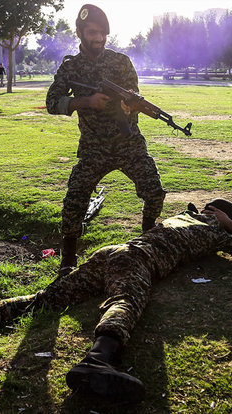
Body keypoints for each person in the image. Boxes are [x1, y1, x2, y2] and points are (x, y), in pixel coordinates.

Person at [0, 199, 232, 403]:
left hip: (113, 251)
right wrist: (228, 226)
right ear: (220, 217)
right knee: (125, 301)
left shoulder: (181, 217)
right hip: (136, 261)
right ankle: (97, 361)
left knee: (48, 298)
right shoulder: (211, 229)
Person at [46, 4, 166, 274]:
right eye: (93, 32)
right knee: (75, 200)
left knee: (155, 192)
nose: (98, 38)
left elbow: (135, 92)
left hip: (128, 143)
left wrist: (130, 105)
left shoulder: (120, 61)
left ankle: (148, 237)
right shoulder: (71, 67)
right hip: (93, 147)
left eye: (103, 33)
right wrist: (86, 101)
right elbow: (52, 101)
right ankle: (68, 259)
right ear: (79, 32)